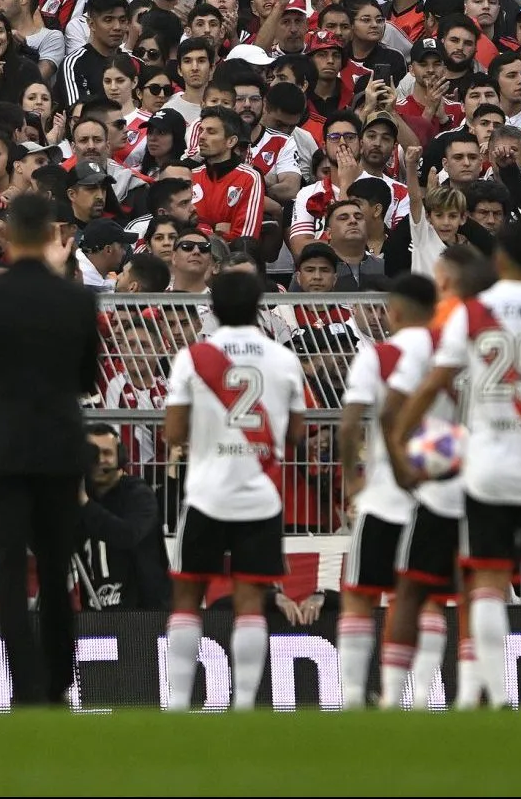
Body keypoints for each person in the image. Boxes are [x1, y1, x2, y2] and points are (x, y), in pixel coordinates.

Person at [395, 217, 521, 710]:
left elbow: (435, 382)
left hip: (484, 465)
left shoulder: (473, 312)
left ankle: (494, 687)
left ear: (500, 260)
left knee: (485, 579)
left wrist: (401, 438)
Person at [0, 192, 103, 707]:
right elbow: (86, 378)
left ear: (8, 236)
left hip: (0, 447)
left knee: (10, 574)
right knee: (56, 571)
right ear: (53, 237)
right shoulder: (77, 299)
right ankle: (58, 686)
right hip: (58, 446)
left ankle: (26, 687)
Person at [160, 269, 307, 712]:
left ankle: (178, 703)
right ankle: (244, 705)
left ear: (214, 310)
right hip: (260, 495)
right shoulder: (284, 359)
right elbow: (298, 434)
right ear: (258, 306)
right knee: (249, 600)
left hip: (206, 493)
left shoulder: (193, 357)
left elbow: (172, 433)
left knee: (188, 595)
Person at [383, 247, 484, 709]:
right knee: (479, 588)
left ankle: (400, 695)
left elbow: (399, 403)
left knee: (415, 586)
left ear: (444, 282)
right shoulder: (500, 331)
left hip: (440, 472)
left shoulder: (430, 337)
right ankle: (470, 692)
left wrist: (401, 455)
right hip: (490, 474)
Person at [334, 271, 436, 706]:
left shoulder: (378, 355)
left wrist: (350, 478)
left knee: (360, 595)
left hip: (382, 496)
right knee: (426, 600)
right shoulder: (452, 356)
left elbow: (351, 420)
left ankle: (354, 697)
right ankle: (414, 697)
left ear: (393, 312)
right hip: (434, 498)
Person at [73, 422, 171, 612]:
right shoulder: (80, 500)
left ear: (121, 457)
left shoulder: (139, 494)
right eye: (92, 454)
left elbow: (127, 535)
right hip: (97, 619)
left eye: (107, 453)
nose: (100, 460)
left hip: (145, 618)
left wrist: (83, 502)